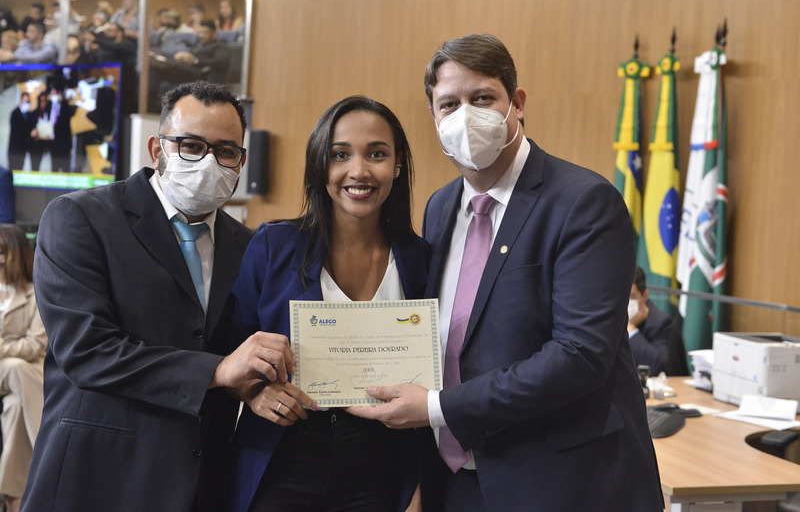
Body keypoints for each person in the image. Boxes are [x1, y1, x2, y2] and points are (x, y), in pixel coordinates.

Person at [348, 34, 663, 511]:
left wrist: (435, 407)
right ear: (433, 116)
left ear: (516, 103)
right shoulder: (440, 207)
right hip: (455, 481)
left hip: (559, 484)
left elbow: (580, 356)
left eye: (482, 98)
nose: (465, 116)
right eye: (449, 104)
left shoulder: (583, 202)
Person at [22, 81, 294, 511]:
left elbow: (240, 351)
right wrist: (219, 370)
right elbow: (87, 351)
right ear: (157, 149)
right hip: (98, 478)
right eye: (191, 145)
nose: (208, 162)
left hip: (201, 483)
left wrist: (251, 387)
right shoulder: (80, 218)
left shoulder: (249, 246)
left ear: (241, 161)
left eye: (225, 151)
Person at [226, 96, 428, 512]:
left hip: (382, 462)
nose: (359, 171)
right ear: (321, 165)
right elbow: (229, 353)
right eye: (340, 155)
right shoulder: (273, 245)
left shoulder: (421, 260)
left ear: (398, 165)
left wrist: (419, 487)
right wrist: (253, 392)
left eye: (377, 154)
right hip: (284, 455)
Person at [0, 224, 46, 512]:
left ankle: (13, 500)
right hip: (22, 372)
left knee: (16, 407)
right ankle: (47, 442)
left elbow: (35, 344)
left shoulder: (34, 294)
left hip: (23, 375)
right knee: (17, 367)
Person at [628, 266, 673, 375]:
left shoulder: (660, 322)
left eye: (631, 296)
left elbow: (659, 367)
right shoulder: (607, 317)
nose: (626, 301)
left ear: (644, 296)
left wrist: (630, 329)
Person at [7, 93, 33, 172]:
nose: (27, 104)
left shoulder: (28, 114)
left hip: (22, 149)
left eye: (28, 102)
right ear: (21, 100)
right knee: (12, 170)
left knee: (20, 169)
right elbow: (16, 130)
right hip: (15, 149)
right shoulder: (15, 113)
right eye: (26, 101)